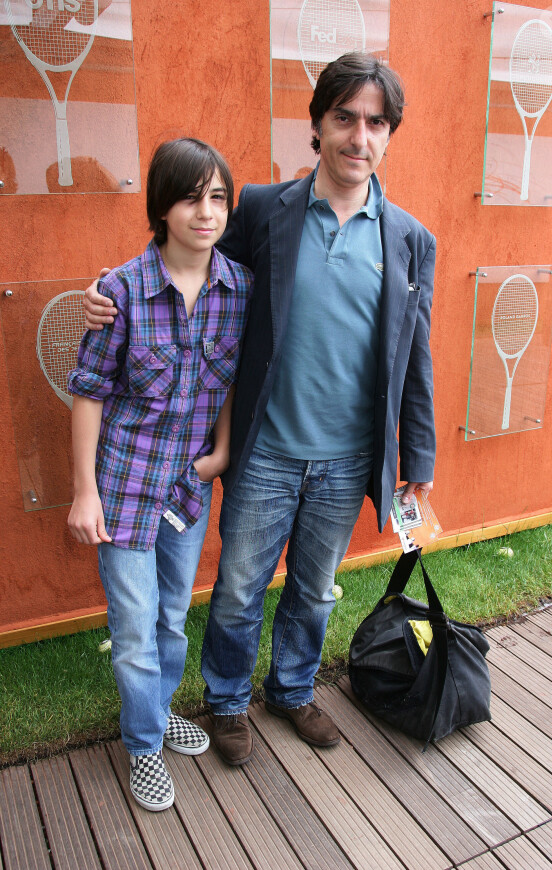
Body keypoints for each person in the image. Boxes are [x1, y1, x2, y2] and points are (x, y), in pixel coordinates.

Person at [82, 52, 436, 768]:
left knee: (314, 590)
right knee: (240, 589)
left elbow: (414, 358)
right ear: (316, 124)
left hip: (348, 458)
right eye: (344, 117)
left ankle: (294, 688)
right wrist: (110, 290)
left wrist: (417, 464)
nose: (358, 136)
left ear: (390, 134)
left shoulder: (410, 240)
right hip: (265, 449)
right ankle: (226, 700)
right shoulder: (263, 210)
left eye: (375, 122)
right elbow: (190, 260)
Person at [68, 138, 253, 807]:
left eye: (217, 198)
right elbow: (88, 392)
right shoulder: (119, 292)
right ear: (161, 207)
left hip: (186, 488)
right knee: (135, 626)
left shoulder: (239, 288)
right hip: (122, 491)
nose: (205, 213)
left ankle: (160, 712)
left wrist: (222, 454)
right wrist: (84, 493)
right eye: (188, 197)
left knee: (172, 617)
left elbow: (232, 382)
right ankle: (143, 746)